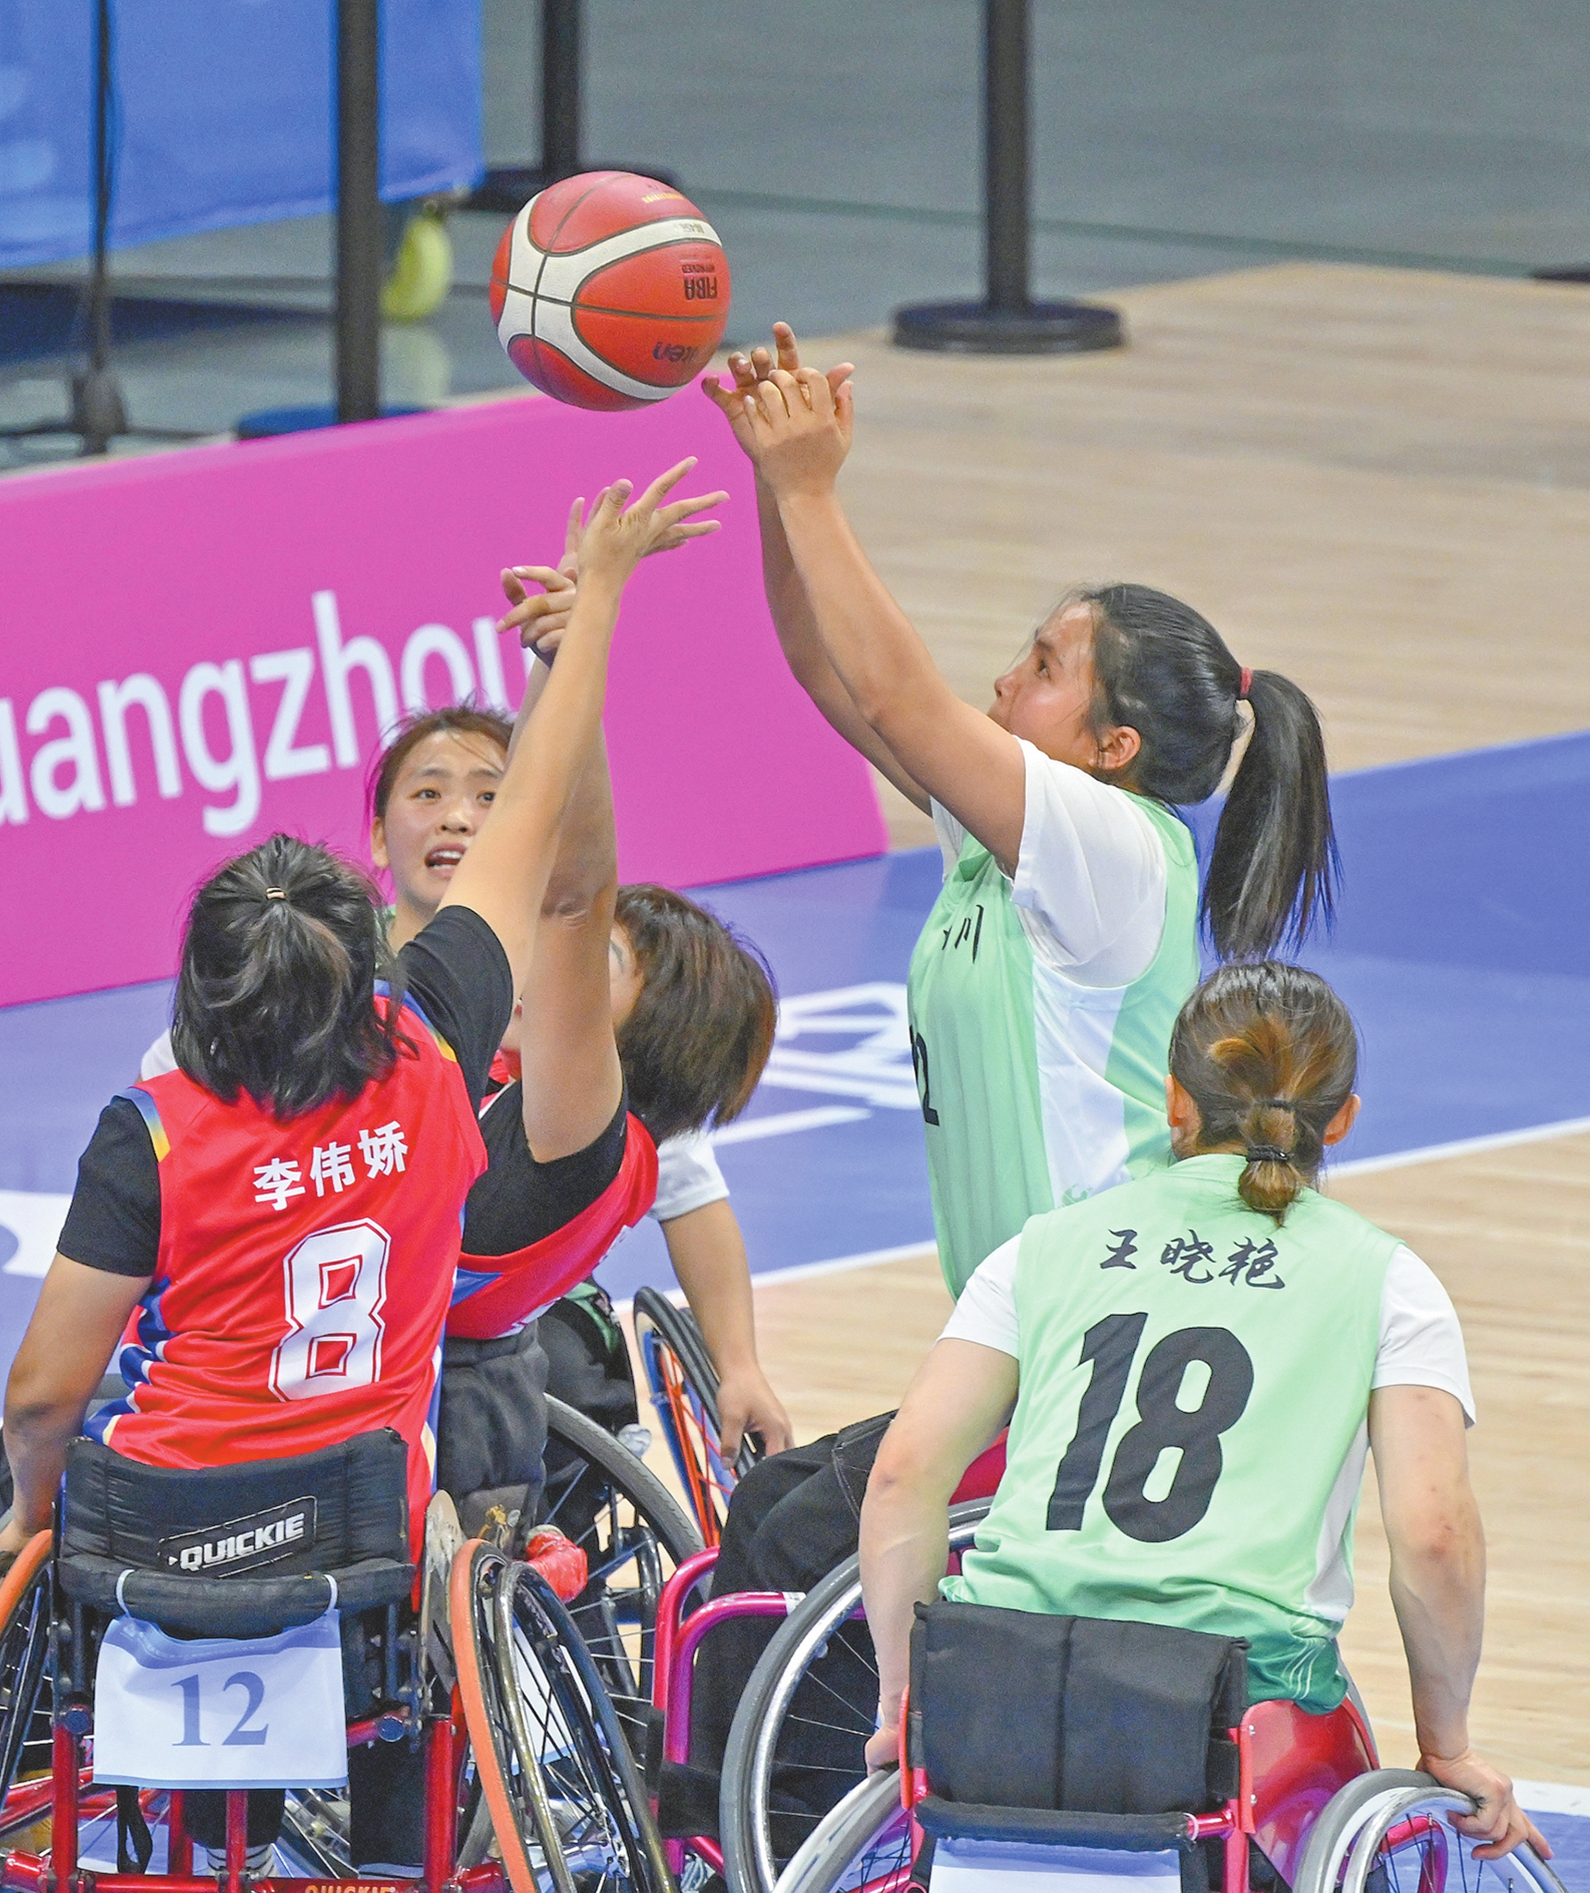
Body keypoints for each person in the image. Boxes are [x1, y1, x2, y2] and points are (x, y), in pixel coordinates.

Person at [0, 462, 723, 1871]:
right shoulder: (435, 1048)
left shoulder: (151, 1127)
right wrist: (601, 610)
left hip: (152, 1528)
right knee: (424, 1606)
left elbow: (38, 1395)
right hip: (357, 1524)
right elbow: (548, 862)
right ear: (367, 951)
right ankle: (393, 1852)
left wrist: (39, 1516)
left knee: (41, 1511)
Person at [661, 326, 1345, 1831]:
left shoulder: (1113, 854)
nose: (1001, 678)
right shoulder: (1018, 838)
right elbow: (840, 682)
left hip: (1088, 1366)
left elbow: (905, 701)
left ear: (1111, 745)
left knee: (786, 1550)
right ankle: (728, 1836)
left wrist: (816, 489)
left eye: (1040, 669)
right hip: (1017, 1336)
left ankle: (743, 1846)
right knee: (773, 1519)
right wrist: (779, 493)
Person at [859, 962, 1547, 1864]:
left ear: (1176, 1102)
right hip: (1224, 1707)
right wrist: (1446, 1742)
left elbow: (903, 1475)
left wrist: (905, 1701)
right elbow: (1436, 1537)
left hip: (998, 1684)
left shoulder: (1044, 1246)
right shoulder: (1387, 1280)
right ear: (1340, 1120)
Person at [434, 557, 781, 1540]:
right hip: (461, 1389)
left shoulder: (580, 1134)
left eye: (600, 968)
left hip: (441, 1420)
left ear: (634, 1039)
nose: (562, 964)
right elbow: (543, 849)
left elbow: (572, 889)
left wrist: (590, 634)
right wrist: (550, 663)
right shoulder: (559, 1109)